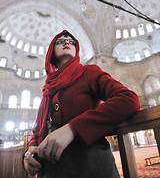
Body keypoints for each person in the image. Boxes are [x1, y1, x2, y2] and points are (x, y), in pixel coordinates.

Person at [23, 30, 141, 178]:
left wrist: (73, 128)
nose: (66, 42)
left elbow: (128, 99)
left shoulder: (88, 72)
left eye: (71, 41)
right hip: (53, 170)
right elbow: (37, 129)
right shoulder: (48, 90)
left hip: (91, 165)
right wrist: (28, 154)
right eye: (60, 41)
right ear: (51, 53)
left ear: (76, 49)